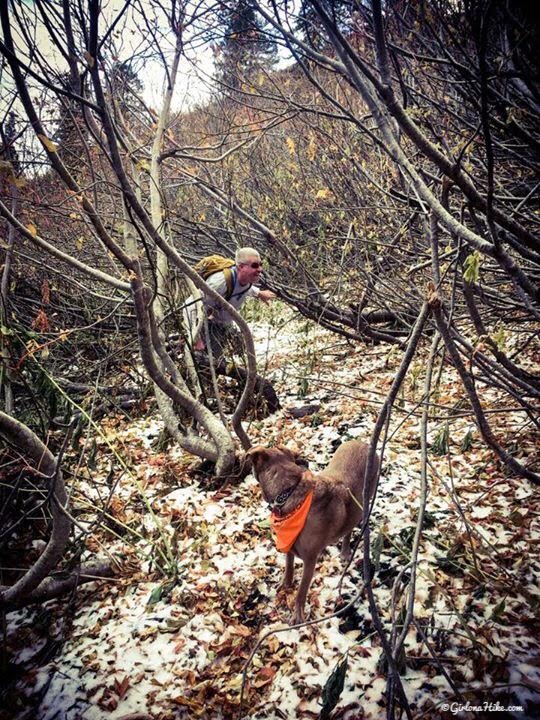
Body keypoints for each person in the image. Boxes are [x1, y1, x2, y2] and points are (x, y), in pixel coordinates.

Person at [183, 247, 276, 362]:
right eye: (255, 266)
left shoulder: (245, 279)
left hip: (221, 327)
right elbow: (189, 306)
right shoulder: (220, 283)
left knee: (216, 362)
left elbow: (244, 287)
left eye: (260, 265)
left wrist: (259, 293)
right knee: (205, 364)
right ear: (241, 267)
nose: (260, 269)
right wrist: (196, 338)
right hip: (205, 326)